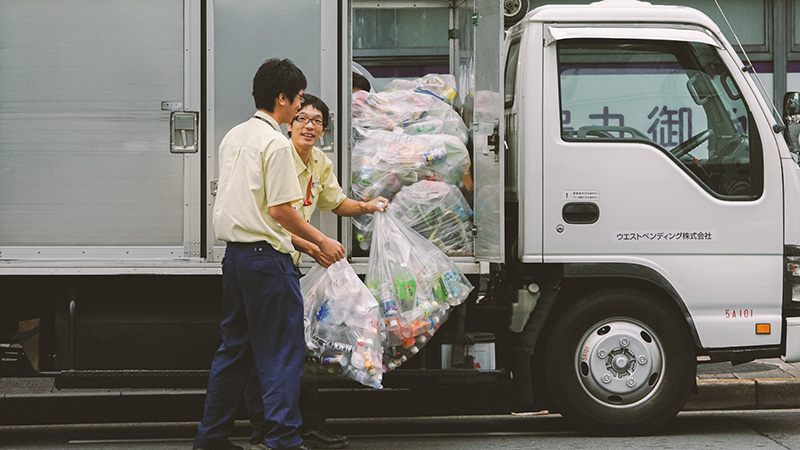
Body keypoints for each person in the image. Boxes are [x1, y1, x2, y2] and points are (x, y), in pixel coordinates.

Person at [193, 59, 345, 450]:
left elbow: (252, 207)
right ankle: (284, 440)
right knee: (281, 354)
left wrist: (308, 245)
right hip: (268, 262)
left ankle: (210, 439)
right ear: (282, 99)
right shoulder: (276, 143)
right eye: (297, 99)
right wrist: (322, 241)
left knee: (234, 351)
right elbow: (279, 210)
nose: (300, 108)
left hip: (237, 259)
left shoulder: (235, 136)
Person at [244, 94, 387, 450]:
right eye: (303, 118)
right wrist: (313, 245)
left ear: (324, 129)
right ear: (289, 122)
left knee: (298, 346)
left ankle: (301, 424)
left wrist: (369, 206)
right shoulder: (279, 155)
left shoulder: (320, 162)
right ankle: (265, 430)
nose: (309, 126)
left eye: (317, 121)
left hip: (290, 264)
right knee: (268, 349)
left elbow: (336, 203)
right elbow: (269, 217)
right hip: (270, 257)